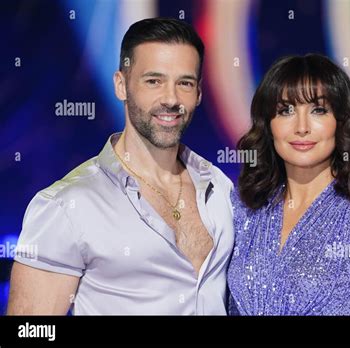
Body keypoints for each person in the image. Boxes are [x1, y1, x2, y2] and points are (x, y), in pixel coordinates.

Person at [8, 18, 234, 315]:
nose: (171, 98)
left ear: (199, 93)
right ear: (121, 85)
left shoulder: (219, 188)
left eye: (185, 83)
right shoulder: (67, 205)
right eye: (154, 81)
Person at [227, 53, 350, 315]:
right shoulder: (244, 210)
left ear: (341, 121)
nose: (302, 127)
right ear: (268, 124)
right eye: (286, 110)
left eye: (318, 110)